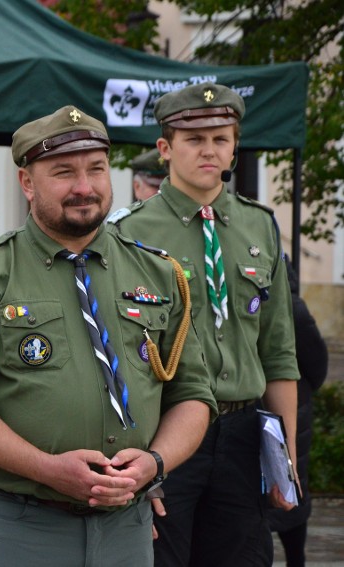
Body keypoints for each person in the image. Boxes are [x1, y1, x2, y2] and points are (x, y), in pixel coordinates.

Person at [0, 105, 216, 566]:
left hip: (128, 527)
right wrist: (47, 469)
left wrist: (155, 463)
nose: (84, 187)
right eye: (63, 172)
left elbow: (193, 394)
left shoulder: (158, 272)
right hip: (21, 527)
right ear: (27, 183)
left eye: (96, 170)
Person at [109, 82, 300, 566]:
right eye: (195, 139)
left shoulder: (260, 225)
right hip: (166, 434)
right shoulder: (128, 233)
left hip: (242, 432)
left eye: (220, 138)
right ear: (165, 148)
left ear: (235, 146)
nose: (209, 150)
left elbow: (278, 352)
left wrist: (287, 461)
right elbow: (115, 360)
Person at [264, 256, 328, 567]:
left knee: (289, 482)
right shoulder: (294, 305)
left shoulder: (288, 306)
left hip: (287, 406)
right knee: (291, 483)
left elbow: (316, 362)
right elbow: (317, 363)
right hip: (294, 406)